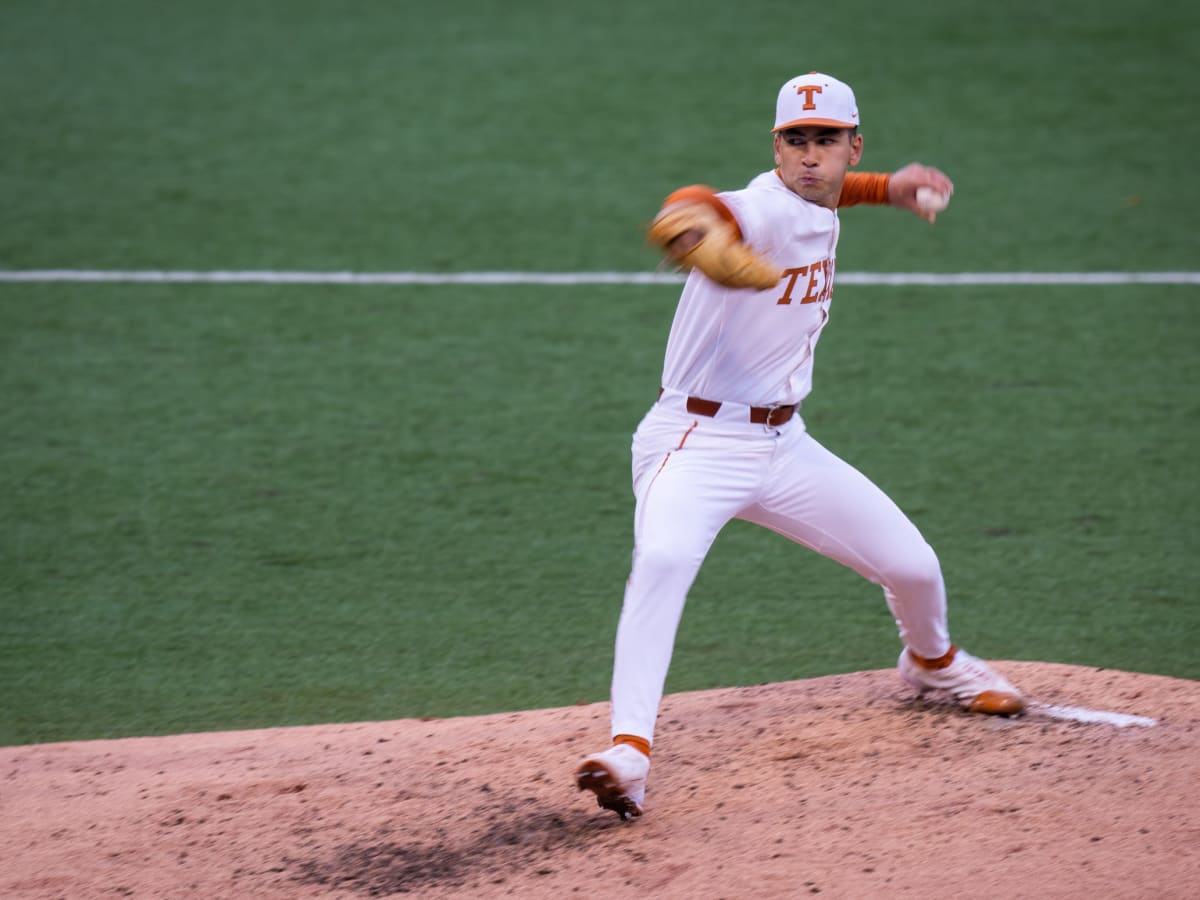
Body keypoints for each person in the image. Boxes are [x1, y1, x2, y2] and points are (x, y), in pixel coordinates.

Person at [574, 72, 1025, 821]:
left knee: (913, 566)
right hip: (695, 441)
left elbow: (829, 195)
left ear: (853, 145)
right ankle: (630, 753)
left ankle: (932, 663)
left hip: (785, 446)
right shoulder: (756, 207)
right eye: (795, 140)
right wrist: (693, 231)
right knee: (660, 564)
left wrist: (890, 188)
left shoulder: (823, 197)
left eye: (825, 141)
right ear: (775, 147)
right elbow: (697, 206)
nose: (809, 156)